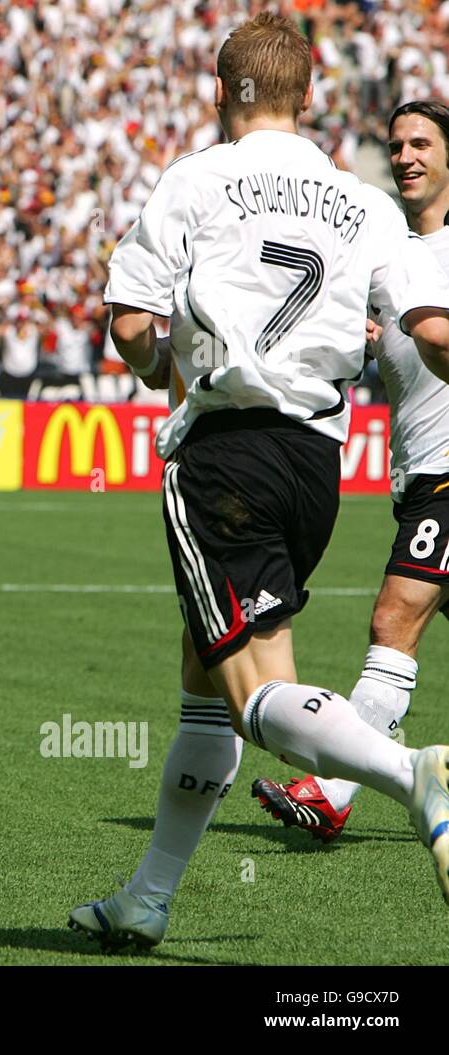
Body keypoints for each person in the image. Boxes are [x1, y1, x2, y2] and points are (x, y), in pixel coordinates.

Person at [68, 13, 449, 950]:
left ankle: (413, 774)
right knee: (204, 675)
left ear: (220, 89)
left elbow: (127, 323)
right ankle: (148, 896)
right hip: (319, 467)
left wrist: (164, 364)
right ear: (311, 95)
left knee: (253, 689)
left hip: (226, 454)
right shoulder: (360, 201)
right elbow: (433, 333)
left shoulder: (197, 176)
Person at [252, 100, 449, 841]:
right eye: (396, 144)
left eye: (422, 143)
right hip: (418, 477)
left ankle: (332, 791)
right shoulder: (385, 254)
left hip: (448, 475)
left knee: (393, 618)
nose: (405, 156)